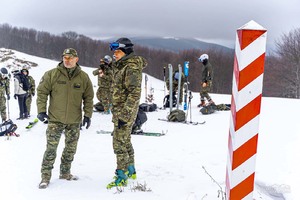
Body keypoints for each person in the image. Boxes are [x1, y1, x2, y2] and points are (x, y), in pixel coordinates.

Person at [36, 48, 94, 189]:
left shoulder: (83, 77)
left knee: (70, 149)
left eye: (70, 58)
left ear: (76, 59)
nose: (67, 60)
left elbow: (89, 97)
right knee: (51, 149)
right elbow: (42, 92)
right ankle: (45, 176)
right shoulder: (52, 75)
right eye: (65, 57)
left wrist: (87, 115)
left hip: (74, 121)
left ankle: (65, 173)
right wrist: (41, 111)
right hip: (55, 119)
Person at [106, 38, 147, 189]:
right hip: (121, 111)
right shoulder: (123, 65)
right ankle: (131, 169)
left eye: (117, 52)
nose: (114, 55)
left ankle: (121, 174)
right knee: (125, 140)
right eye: (114, 52)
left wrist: (124, 115)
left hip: (125, 112)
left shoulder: (131, 67)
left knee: (118, 143)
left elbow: (134, 93)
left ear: (126, 52)